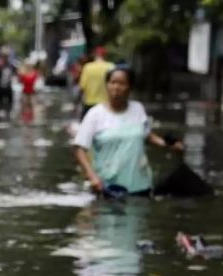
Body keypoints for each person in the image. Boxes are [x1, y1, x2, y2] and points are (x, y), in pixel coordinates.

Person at [72, 68, 184, 196]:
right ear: (107, 85)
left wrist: (168, 145)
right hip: (108, 187)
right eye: (113, 82)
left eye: (122, 84)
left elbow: (146, 135)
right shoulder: (95, 114)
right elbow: (79, 148)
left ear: (130, 87)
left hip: (140, 185)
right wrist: (91, 176)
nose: (116, 88)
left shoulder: (138, 109)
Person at [78, 47, 114, 119]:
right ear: (105, 55)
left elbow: (82, 87)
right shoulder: (111, 66)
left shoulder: (87, 67)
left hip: (89, 103)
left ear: (95, 55)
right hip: (106, 104)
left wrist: (77, 102)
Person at [0, 54, 16, 120]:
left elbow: (14, 73)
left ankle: (8, 115)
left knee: (9, 102)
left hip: (8, 87)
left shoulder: (11, 66)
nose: (4, 60)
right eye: (4, 58)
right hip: (0, 87)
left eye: (6, 58)